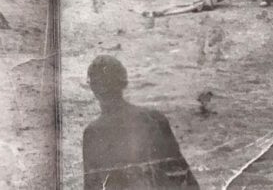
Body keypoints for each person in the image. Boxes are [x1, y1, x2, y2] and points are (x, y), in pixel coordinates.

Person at [83, 55, 199, 190]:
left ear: (93, 88)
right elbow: (185, 178)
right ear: (124, 83)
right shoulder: (154, 119)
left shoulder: (93, 133)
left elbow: (91, 186)